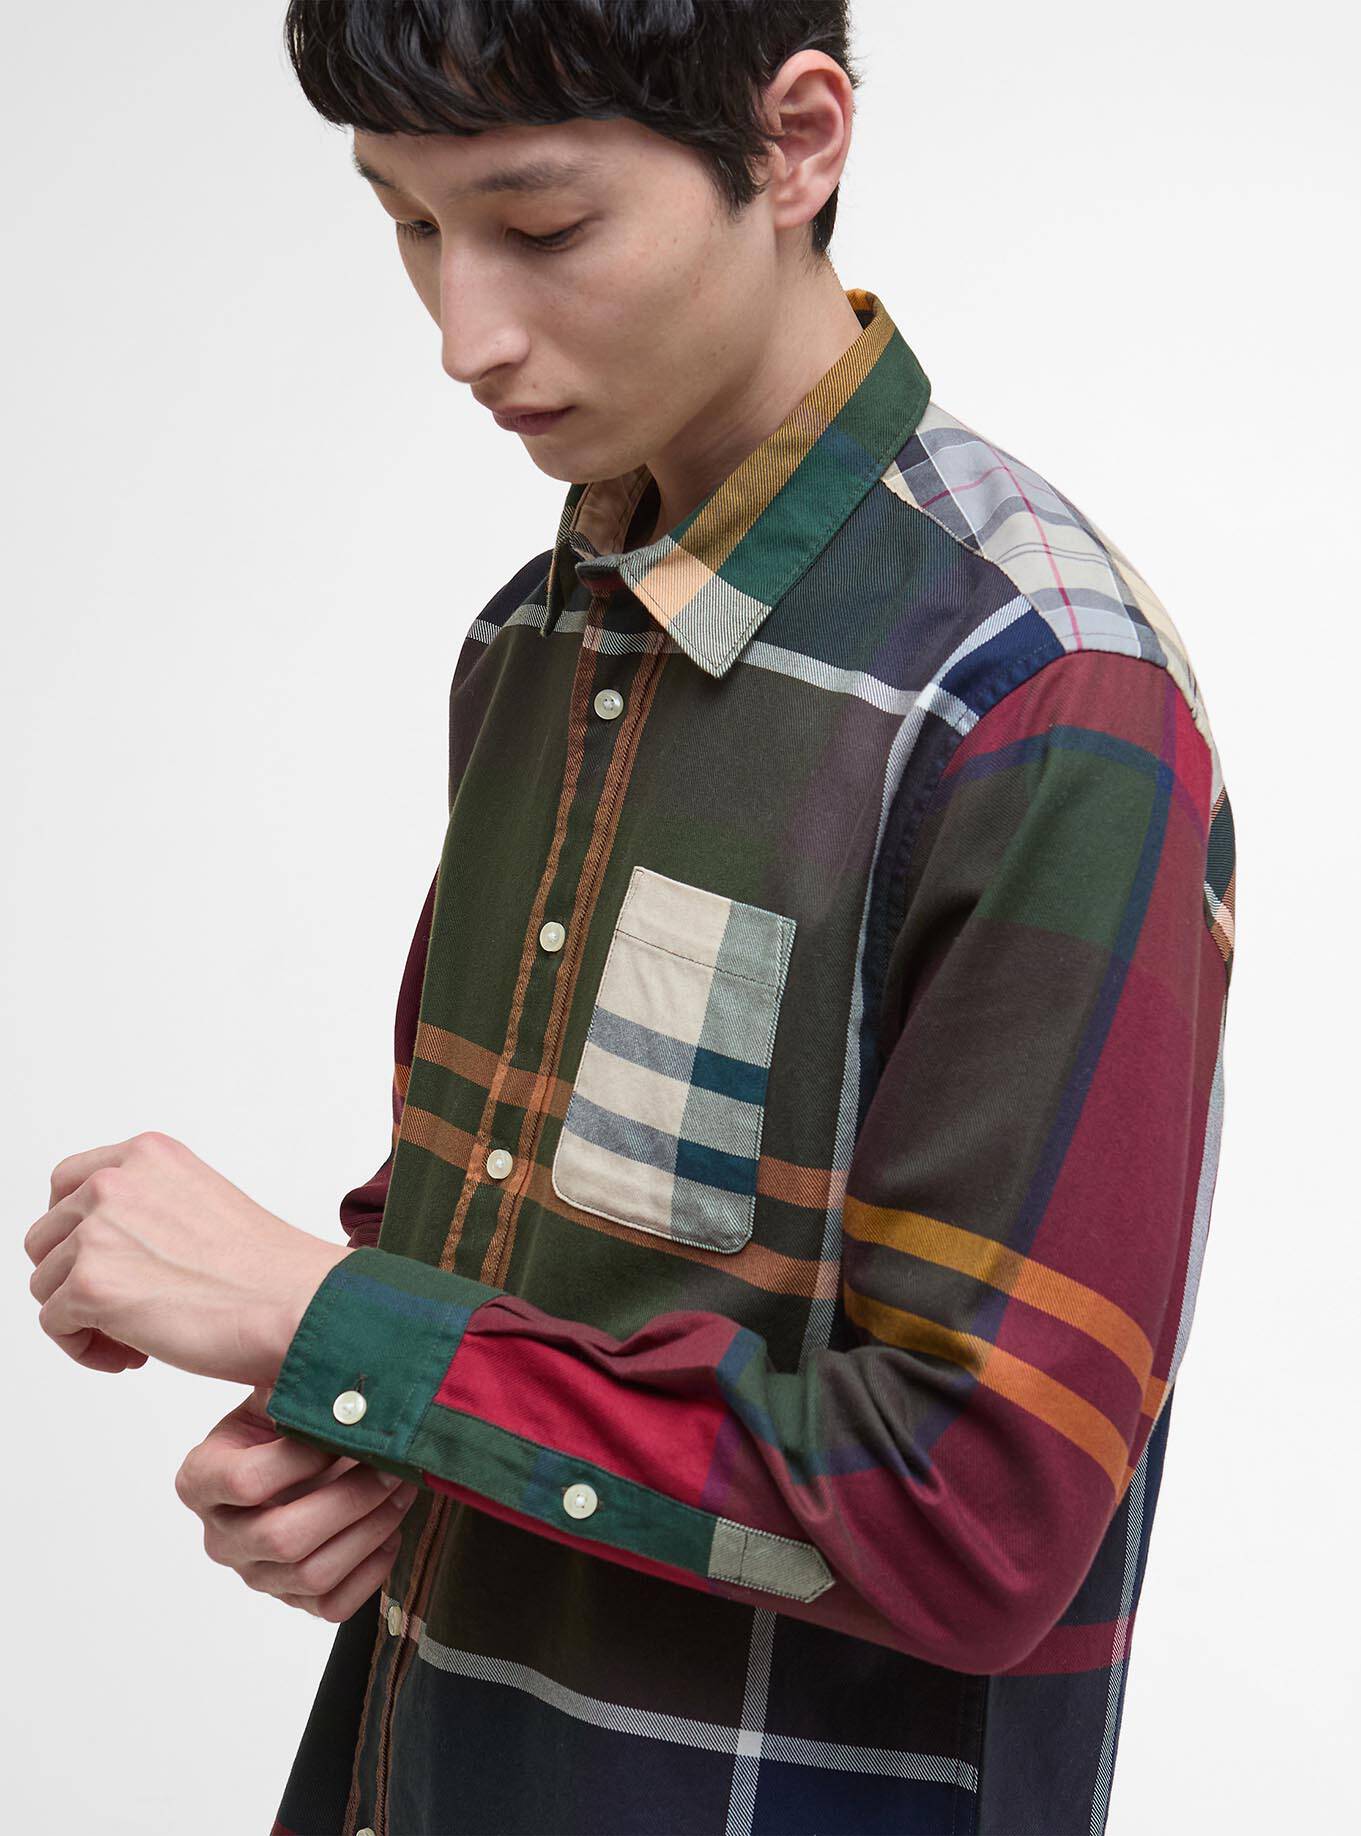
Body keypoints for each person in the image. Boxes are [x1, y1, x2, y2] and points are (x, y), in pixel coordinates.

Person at [24, 4, 1236, 1832]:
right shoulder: (539, 633)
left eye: (541, 224)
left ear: (798, 141)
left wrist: (323, 1313)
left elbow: (975, 1520)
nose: (464, 333)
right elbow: (553, 1261)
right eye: (409, 224)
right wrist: (342, 1422)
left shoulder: (1046, 698)